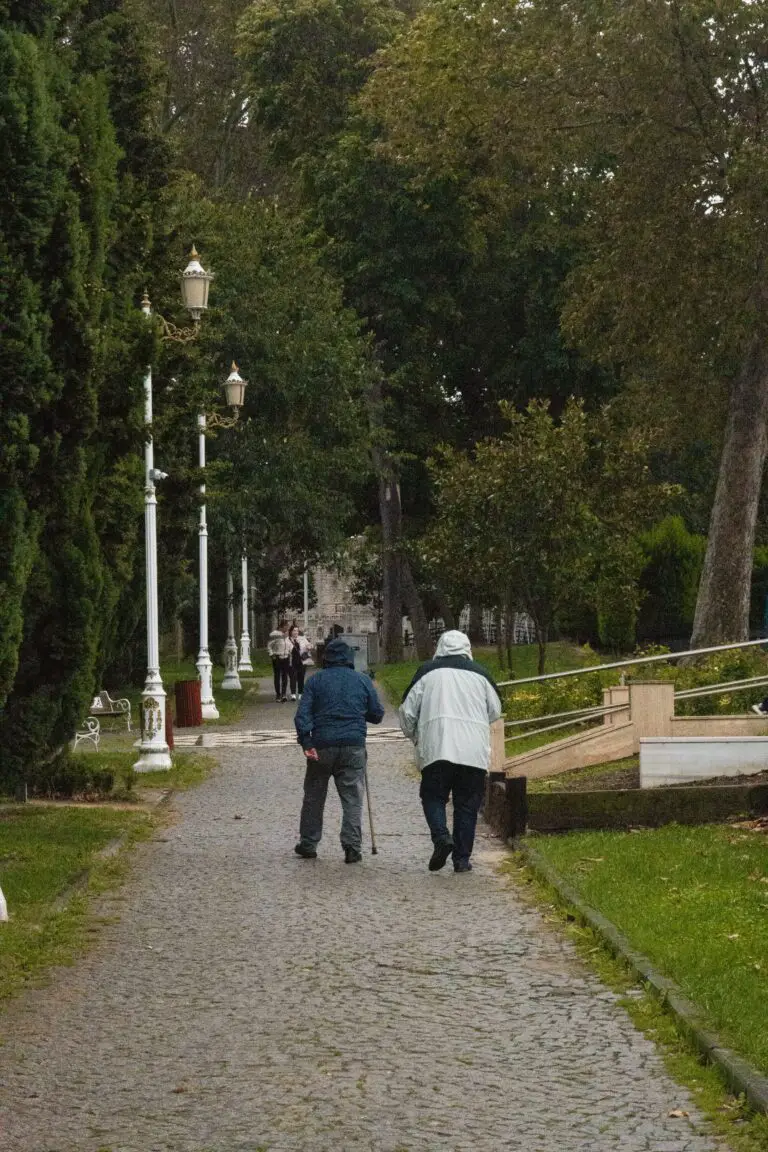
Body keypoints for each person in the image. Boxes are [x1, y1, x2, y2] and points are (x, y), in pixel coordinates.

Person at [399, 629, 502, 874]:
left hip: (437, 746)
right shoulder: (481, 675)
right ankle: (462, 859)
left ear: (440, 648)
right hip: (472, 751)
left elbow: (408, 712)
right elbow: (495, 710)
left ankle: (441, 837)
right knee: (467, 804)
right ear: (467, 648)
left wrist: (414, 734)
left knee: (433, 796)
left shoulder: (427, 673)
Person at [294, 638, 384, 863]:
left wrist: (307, 742)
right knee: (353, 797)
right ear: (350, 659)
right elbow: (377, 714)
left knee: (314, 796)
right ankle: (352, 846)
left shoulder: (315, 682)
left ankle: (309, 843)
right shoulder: (362, 680)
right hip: (353, 745)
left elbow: (302, 715)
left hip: (321, 746)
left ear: (326, 659)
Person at [267, 620, 291, 702]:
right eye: (287, 626)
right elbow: (269, 645)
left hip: (286, 657)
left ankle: (284, 694)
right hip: (277, 657)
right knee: (277, 676)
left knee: (285, 676)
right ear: (282, 626)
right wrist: (272, 655)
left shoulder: (287, 635)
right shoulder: (274, 634)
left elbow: (288, 644)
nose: (288, 628)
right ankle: (278, 694)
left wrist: (289, 651)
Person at [287, 624, 312, 700]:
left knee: (301, 677)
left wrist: (309, 646)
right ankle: (293, 694)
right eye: (294, 630)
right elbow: (286, 649)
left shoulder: (302, 638)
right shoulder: (287, 640)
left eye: (297, 630)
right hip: (292, 661)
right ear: (291, 631)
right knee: (293, 677)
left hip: (302, 660)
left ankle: (300, 693)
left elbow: (309, 645)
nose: (296, 632)